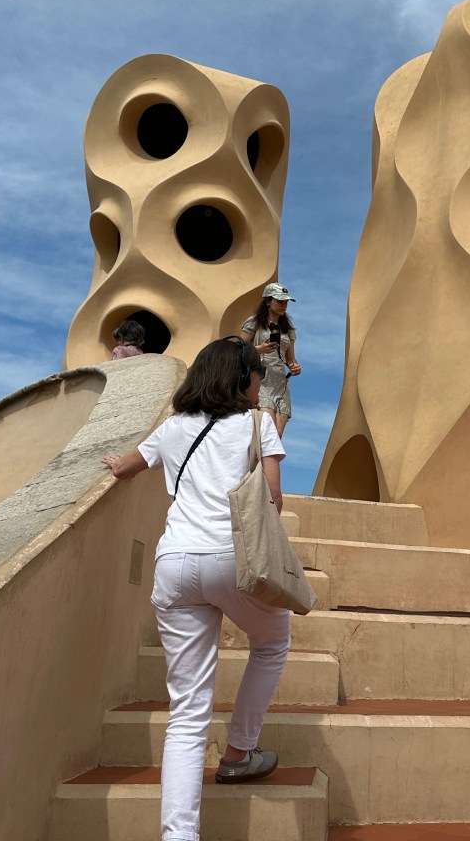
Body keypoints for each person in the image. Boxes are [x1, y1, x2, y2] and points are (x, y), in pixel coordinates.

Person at [102, 337, 290, 841]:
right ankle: (239, 752)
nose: (260, 382)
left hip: (176, 564)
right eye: (256, 373)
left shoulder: (173, 427)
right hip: (233, 559)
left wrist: (108, 460)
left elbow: (124, 467)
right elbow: (273, 497)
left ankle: (179, 835)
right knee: (272, 643)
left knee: (186, 712)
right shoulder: (258, 424)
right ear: (243, 378)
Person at [240, 282, 301, 437]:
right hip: (261, 381)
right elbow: (237, 349)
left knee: (277, 435)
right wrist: (259, 349)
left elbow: (290, 358)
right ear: (268, 301)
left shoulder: (288, 329)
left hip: (281, 383)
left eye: (286, 302)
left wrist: (294, 367)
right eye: (279, 301)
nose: (284, 305)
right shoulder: (255, 322)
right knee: (267, 432)